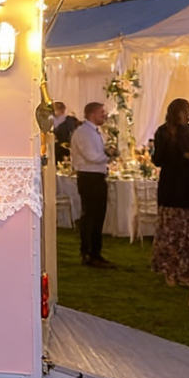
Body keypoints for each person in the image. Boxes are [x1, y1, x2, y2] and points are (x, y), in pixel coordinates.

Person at [150, 99, 189, 286]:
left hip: (185, 184)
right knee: (175, 230)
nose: (187, 115)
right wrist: (182, 156)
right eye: (185, 111)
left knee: (185, 230)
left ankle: (182, 270)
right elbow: (158, 159)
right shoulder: (165, 132)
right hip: (174, 184)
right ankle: (173, 270)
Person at [70, 101, 115, 268]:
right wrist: (109, 156)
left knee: (98, 216)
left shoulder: (94, 132)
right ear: (92, 114)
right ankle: (89, 253)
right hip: (89, 178)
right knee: (91, 216)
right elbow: (91, 156)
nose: (105, 115)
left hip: (96, 177)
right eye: (102, 112)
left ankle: (95, 252)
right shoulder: (83, 133)